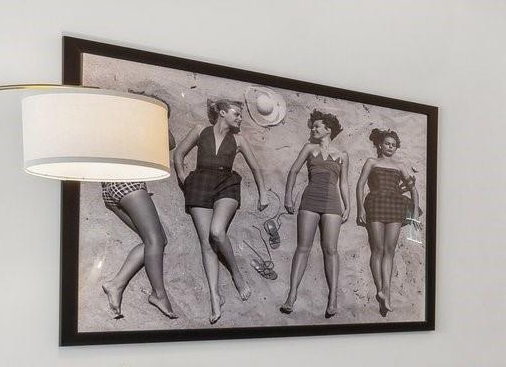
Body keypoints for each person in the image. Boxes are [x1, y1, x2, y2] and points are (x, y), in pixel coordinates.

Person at [173, 97, 266, 324]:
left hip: (227, 184)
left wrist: (263, 193)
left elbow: (255, 167)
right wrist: (184, 178)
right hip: (199, 184)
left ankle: (236, 273)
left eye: (241, 115)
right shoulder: (199, 130)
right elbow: (179, 155)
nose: (240, 118)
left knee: (216, 232)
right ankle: (215, 296)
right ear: (222, 112)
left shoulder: (239, 140)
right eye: (237, 113)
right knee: (206, 244)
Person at [279, 110, 351, 317]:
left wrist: (348, 206)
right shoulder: (309, 148)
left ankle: (333, 298)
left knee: (331, 249)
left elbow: (344, 183)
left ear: (328, 130)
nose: (313, 129)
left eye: (317, 126)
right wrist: (288, 196)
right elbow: (293, 171)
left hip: (333, 202)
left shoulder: (343, 155)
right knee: (303, 248)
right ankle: (292, 296)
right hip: (310, 199)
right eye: (313, 126)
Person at [355, 128, 420, 316]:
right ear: (380, 145)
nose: (390, 147)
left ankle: (386, 291)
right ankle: (380, 288)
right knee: (378, 249)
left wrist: (414, 212)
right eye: (387, 144)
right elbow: (360, 184)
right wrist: (360, 208)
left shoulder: (400, 165)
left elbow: (413, 190)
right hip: (375, 203)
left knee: (390, 250)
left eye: (393, 145)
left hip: (395, 205)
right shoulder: (372, 161)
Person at [97, 181, 177, 321]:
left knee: (157, 241)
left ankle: (115, 285)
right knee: (155, 241)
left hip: (112, 188)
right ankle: (159, 295)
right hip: (127, 183)